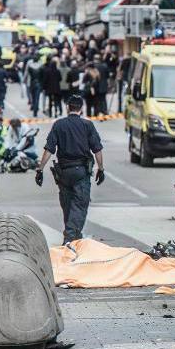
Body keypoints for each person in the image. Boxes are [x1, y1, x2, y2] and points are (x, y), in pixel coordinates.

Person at [35, 95, 106, 245]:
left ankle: (74, 238)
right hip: (81, 172)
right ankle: (70, 239)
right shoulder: (87, 125)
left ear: (68, 107)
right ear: (82, 108)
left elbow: (49, 149)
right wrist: (101, 168)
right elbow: (97, 149)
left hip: (64, 173)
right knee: (79, 205)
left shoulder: (59, 125)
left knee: (67, 206)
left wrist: (40, 169)